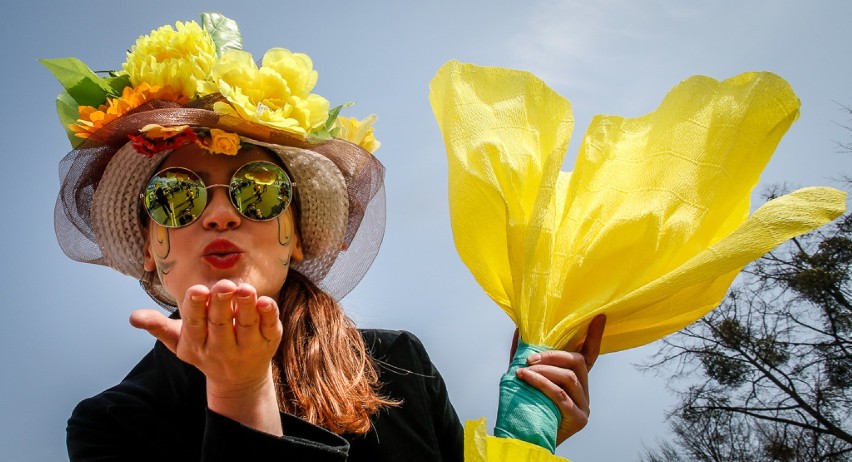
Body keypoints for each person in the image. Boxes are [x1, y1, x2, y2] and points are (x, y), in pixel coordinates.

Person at [46, 14, 605, 461]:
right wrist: (241, 396)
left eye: (257, 190)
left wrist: (530, 435)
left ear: (297, 239)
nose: (219, 214)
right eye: (176, 195)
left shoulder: (399, 365)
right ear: (148, 245)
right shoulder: (114, 423)